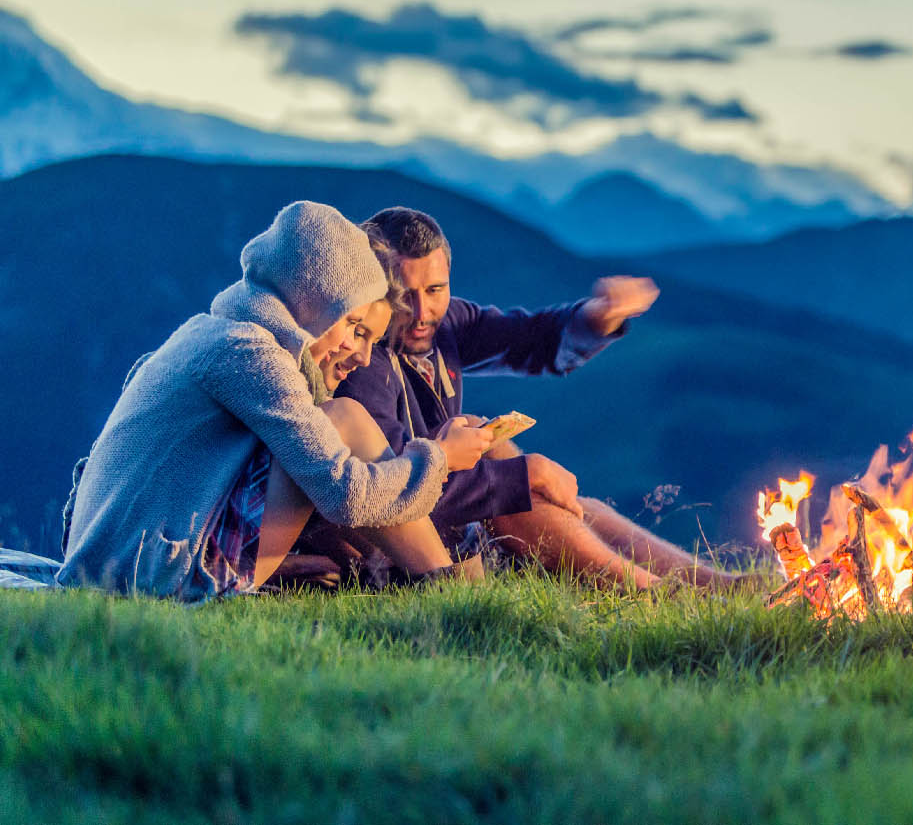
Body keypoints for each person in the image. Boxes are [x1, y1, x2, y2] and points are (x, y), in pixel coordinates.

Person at [58, 201, 494, 600]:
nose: (362, 355)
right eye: (356, 328)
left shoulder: (213, 335)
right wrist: (438, 458)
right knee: (342, 420)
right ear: (315, 302)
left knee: (329, 436)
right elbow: (344, 493)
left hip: (125, 561)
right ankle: (453, 595)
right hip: (150, 575)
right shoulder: (248, 352)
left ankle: (431, 582)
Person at [340, 206, 747, 591]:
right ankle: (663, 596)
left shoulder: (446, 324)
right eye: (403, 294)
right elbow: (387, 487)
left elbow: (526, 339)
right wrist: (524, 473)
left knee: (562, 500)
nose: (422, 310)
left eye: (435, 290)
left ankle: (720, 586)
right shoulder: (360, 359)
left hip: (444, 513)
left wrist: (599, 315)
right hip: (400, 547)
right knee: (510, 484)